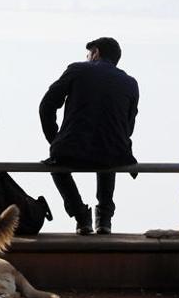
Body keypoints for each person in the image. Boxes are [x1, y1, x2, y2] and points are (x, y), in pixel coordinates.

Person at [39, 37, 139, 235]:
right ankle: (104, 218)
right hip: (114, 154)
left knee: (57, 166)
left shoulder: (78, 70)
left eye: (88, 54)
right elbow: (127, 126)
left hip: (72, 150)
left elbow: (47, 105)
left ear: (96, 53)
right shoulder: (130, 83)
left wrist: (55, 139)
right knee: (110, 147)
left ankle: (81, 216)